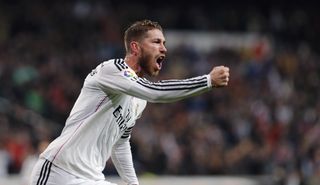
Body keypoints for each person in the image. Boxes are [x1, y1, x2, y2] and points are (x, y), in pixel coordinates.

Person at [29, 19, 230, 185]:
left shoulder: (138, 100)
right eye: (157, 42)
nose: (164, 49)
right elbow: (155, 92)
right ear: (135, 47)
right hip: (59, 172)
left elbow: (121, 142)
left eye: (164, 43)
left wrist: (132, 183)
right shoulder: (111, 69)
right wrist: (207, 81)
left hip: (91, 178)